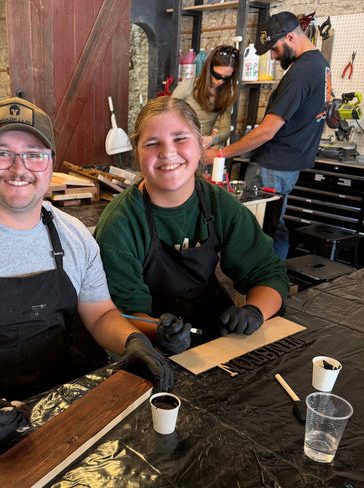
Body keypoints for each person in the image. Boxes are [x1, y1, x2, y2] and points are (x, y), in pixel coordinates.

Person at [0, 97, 173, 445]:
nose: (19, 168)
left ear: (51, 164)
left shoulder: (74, 236)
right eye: (2, 152)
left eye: (34, 153)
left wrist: (132, 342)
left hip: (56, 397)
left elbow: (101, 314)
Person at [94, 96, 289, 353]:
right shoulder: (120, 224)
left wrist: (254, 312)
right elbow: (119, 314)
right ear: (137, 154)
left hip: (215, 326)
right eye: (152, 143)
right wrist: (160, 332)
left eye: (180, 138)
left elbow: (268, 273)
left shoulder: (218, 204)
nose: (167, 152)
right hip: (146, 344)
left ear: (200, 146)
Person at [205, 12, 331, 259]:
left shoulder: (301, 72)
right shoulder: (319, 64)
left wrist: (219, 155)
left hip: (273, 165)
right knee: (273, 226)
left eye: (274, 49)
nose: (273, 56)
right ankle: (272, 282)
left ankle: (257, 288)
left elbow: (267, 131)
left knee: (257, 232)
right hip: (288, 165)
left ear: (291, 37)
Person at [172, 45, 240, 149]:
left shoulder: (226, 94)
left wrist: (212, 140)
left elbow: (225, 129)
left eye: (226, 78)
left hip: (201, 149)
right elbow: (167, 117)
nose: (220, 81)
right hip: (178, 145)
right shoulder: (187, 86)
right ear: (209, 68)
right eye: (217, 75)